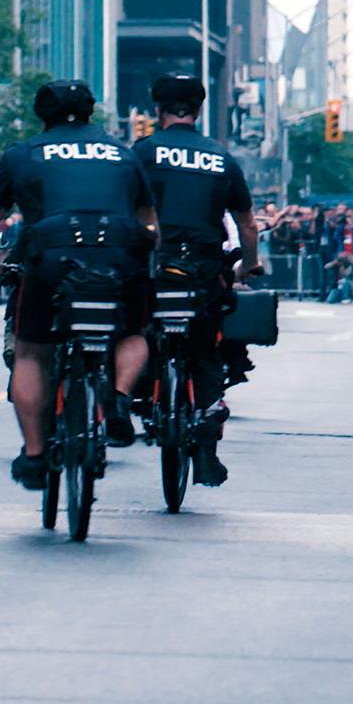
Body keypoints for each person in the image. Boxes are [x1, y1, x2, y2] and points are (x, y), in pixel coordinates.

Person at [0, 79, 158, 491]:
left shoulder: (22, 155)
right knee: (132, 330)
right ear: (91, 112)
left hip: (50, 258)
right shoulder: (123, 152)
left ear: (42, 115)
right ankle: (120, 397)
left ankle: (35, 455)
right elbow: (147, 217)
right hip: (118, 255)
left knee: (32, 352)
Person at [131, 74, 256, 488]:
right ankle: (206, 446)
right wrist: (248, 266)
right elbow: (246, 224)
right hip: (204, 269)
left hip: (154, 267)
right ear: (199, 110)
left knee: (137, 330)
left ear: (157, 110)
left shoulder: (142, 153)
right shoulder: (221, 158)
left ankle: (133, 393)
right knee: (205, 350)